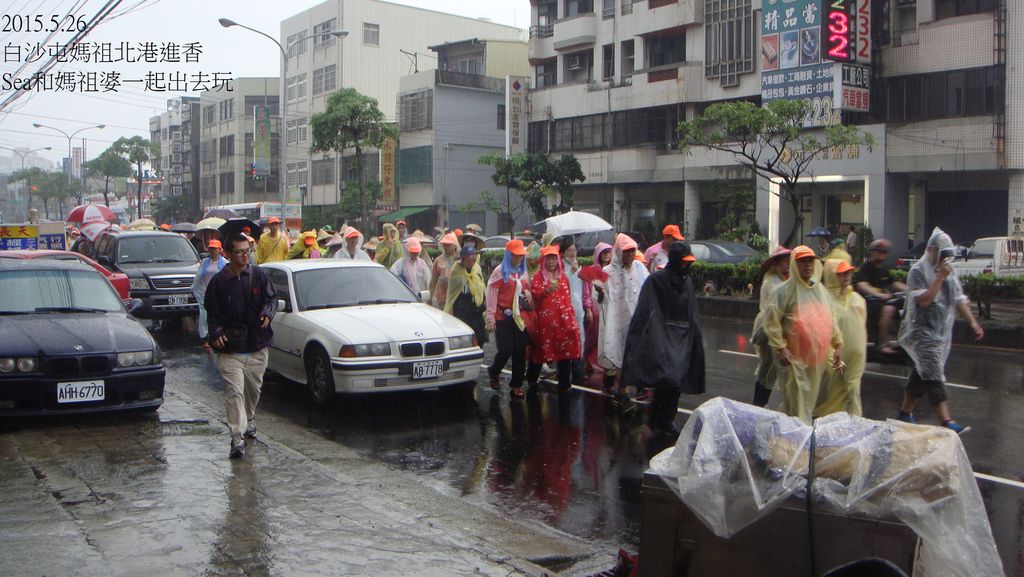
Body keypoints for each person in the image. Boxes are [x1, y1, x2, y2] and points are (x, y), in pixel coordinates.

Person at [896, 227, 983, 434]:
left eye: (947, 255)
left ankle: (905, 412)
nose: (944, 259)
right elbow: (924, 301)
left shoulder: (947, 272)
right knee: (934, 375)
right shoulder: (917, 272)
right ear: (931, 250)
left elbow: (957, 298)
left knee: (922, 373)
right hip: (922, 333)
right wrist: (939, 278)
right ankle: (947, 420)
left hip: (940, 333)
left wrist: (973, 323)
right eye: (942, 254)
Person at [621, 242, 705, 439]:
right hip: (661, 336)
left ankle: (665, 418)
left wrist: (695, 337)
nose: (686, 267)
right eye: (683, 262)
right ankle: (658, 418)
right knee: (665, 379)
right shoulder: (656, 280)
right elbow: (645, 311)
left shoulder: (686, 281)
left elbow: (692, 311)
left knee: (674, 382)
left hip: (681, 338)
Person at [204, 234, 277, 459]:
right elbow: (212, 313)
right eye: (240, 252)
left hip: (256, 346)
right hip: (230, 349)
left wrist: (267, 313)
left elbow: (271, 299)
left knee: (253, 391)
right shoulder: (219, 282)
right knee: (234, 391)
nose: (246, 255)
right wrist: (216, 333)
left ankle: (250, 417)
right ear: (228, 254)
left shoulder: (259, 275)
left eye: (248, 251)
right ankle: (237, 438)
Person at [762, 245, 844, 424]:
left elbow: (831, 319)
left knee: (808, 403)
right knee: (796, 405)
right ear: (794, 264)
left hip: (815, 360)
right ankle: (794, 444)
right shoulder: (783, 291)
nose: (807, 266)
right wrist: (781, 348)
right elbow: (771, 322)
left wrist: (838, 344)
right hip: (793, 362)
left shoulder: (819, 291)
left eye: (810, 261)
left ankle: (793, 438)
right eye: (802, 262)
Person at [598, 233, 650, 399]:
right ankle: (621, 388)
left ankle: (636, 386)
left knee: (635, 352)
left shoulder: (640, 268)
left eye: (633, 251)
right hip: (616, 320)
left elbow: (647, 290)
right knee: (618, 352)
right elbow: (601, 299)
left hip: (636, 319)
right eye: (626, 251)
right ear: (619, 252)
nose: (630, 254)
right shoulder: (607, 271)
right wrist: (600, 291)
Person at [525, 245, 581, 393]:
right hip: (545, 322)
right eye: (548, 259)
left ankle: (564, 384)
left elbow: (567, 298)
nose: (551, 262)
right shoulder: (538, 277)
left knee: (565, 351)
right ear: (543, 261)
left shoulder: (562, 277)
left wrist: (571, 316)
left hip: (563, 320)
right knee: (541, 351)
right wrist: (546, 291)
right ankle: (532, 379)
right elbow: (535, 296)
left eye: (553, 259)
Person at [817, 259, 867, 417]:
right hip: (834, 358)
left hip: (855, 358)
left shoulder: (857, 299)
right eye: (841, 273)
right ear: (832, 276)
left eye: (848, 272)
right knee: (829, 396)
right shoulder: (824, 300)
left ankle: (855, 425)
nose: (846, 276)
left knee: (853, 391)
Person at [485, 239, 532, 398]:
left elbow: (525, 289)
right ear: (508, 255)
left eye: (521, 255)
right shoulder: (500, 272)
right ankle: (494, 370)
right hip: (502, 315)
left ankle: (517, 385)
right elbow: (491, 295)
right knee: (506, 348)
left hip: (519, 316)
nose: (518, 258)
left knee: (520, 349)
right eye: (515, 255)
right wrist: (490, 319)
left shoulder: (522, 271)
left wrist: (527, 294)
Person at [751, 246, 791, 407]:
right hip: (770, 331)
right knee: (767, 369)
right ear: (776, 263)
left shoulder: (785, 280)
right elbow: (771, 313)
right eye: (783, 261)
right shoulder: (770, 283)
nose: (787, 264)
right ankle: (759, 404)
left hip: (782, 331)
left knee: (775, 370)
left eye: (788, 261)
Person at [854, 239, 907, 354]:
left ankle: (903, 339)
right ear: (872, 252)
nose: (881, 254)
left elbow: (894, 283)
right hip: (867, 303)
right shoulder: (865, 267)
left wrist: (911, 291)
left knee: (905, 306)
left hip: (882, 301)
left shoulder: (883, 268)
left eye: (883, 252)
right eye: (878, 252)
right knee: (888, 310)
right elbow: (862, 285)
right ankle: (883, 343)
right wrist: (878, 294)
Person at [561, 238, 592, 386]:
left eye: (574, 250)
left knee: (581, 339)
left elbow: (585, 291)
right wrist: (571, 272)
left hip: (578, 310)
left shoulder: (578, 267)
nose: (572, 253)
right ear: (563, 252)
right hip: (565, 310)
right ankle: (566, 373)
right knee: (568, 341)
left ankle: (579, 371)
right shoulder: (560, 268)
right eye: (569, 250)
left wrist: (588, 308)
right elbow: (560, 285)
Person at [445, 245, 488, 346]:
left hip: (476, 310)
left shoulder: (477, 269)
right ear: (463, 260)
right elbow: (453, 293)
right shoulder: (456, 271)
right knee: (465, 340)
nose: (471, 262)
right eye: (469, 260)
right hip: (462, 311)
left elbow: (481, 286)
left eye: (473, 259)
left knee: (480, 337)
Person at [191, 239, 229, 348]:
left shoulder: (225, 263)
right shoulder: (204, 262)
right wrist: (194, 288)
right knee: (204, 316)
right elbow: (198, 277)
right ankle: (206, 337)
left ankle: (217, 336)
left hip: (219, 294)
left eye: (214, 249)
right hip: (205, 293)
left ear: (219, 250)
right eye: (210, 249)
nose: (212, 251)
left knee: (217, 316)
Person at [583, 242, 612, 372]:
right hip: (594, 311)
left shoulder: (612, 270)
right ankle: (587, 362)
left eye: (608, 252)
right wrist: (588, 308)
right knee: (591, 338)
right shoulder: (590, 271)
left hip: (607, 310)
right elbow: (587, 292)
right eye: (604, 252)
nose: (606, 255)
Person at [429, 233, 460, 308]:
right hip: (442, 299)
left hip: (457, 299)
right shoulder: (438, 260)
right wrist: (430, 297)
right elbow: (433, 281)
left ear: (455, 245)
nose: (446, 247)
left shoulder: (459, 260)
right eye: (444, 244)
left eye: (449, 245)